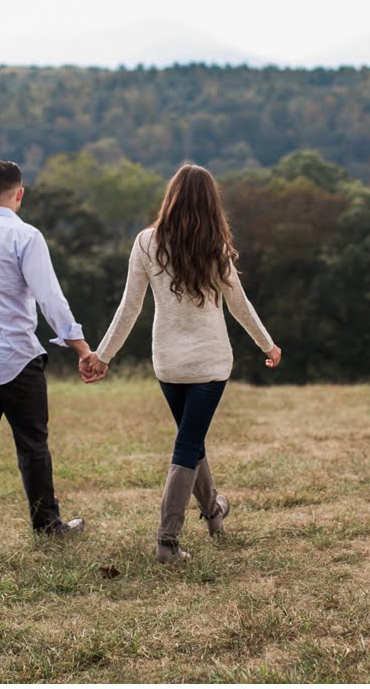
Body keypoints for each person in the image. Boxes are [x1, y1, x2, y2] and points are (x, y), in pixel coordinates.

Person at [90, 163, 281, 562]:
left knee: (191, 439)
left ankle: (213, 511)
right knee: (188, 442)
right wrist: (268, 345)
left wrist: (103, 355)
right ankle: (167, 541)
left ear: (171, 197)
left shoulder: (146, 243)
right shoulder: (216, 248)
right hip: (210, 364)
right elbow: (240, 305)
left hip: (169, 364)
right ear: (212, 203)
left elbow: (129, 307)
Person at [0, 160, 104, 565]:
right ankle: (47, 524)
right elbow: (50, 298)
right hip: (17, 357)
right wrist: (82, 348)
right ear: (20, 193)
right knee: (33, 445)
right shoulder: (26, 236)